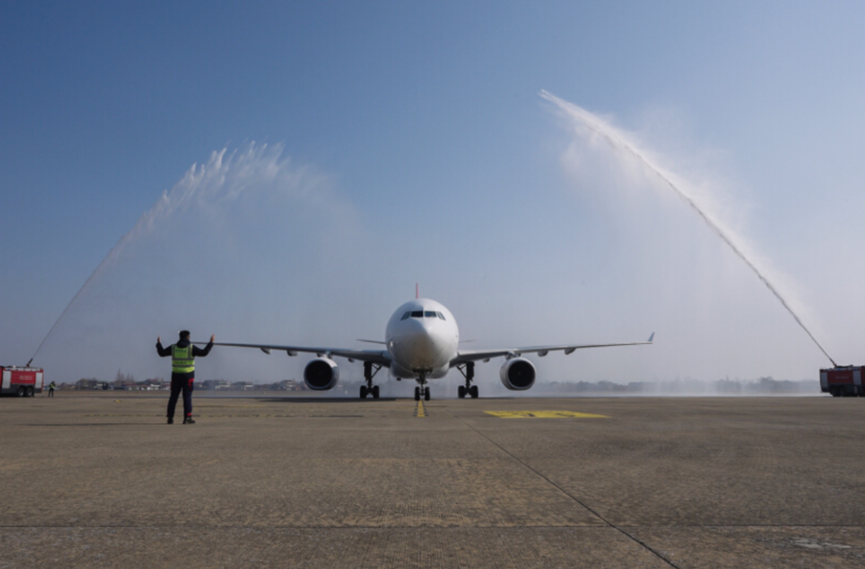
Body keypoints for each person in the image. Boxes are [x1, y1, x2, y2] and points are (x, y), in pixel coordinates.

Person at [156, 331, 214, 424]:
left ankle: (170, 418)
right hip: (188, 376)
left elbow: (162, 353)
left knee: (173, 397)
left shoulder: (173, 347)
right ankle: (187, 417)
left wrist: (158, 344)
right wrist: (211, 343)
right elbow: (204, 353)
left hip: (176, 376)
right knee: (187, 397)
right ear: (188, 337)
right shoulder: (191, 348)